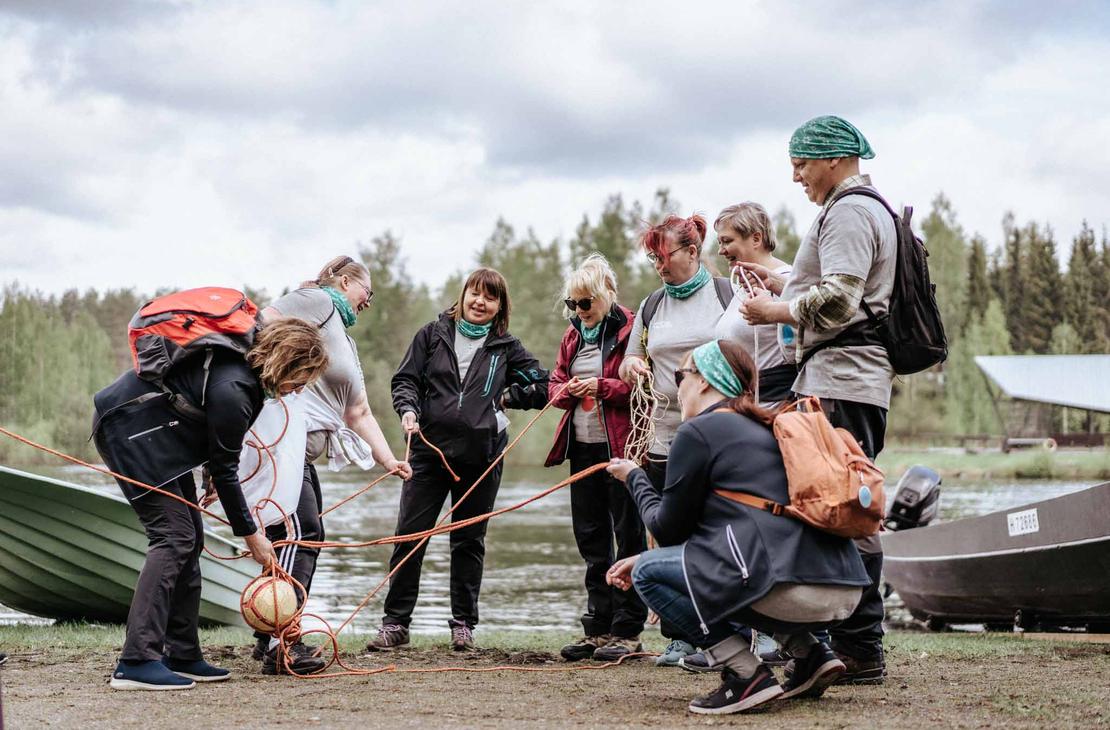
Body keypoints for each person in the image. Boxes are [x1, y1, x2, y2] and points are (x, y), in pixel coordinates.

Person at [605, 340, 869, 714]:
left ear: (705, 381)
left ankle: (746, 675)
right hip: (842, 590)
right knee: (717, 571)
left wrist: (634, 478)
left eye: (681, 375)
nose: (677, 386)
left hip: (784, 588)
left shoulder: (698, 433)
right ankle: (811, 653)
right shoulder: (772, 426)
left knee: (648, 572)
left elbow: (666, 531)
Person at [739, 115, 895, 683]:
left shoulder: (850, 210)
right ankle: (847, 642)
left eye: (801, 163)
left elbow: (839, 301)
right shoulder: (860, 207)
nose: (797, 176)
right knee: (834, 501)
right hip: (846, 377)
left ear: (832, 158)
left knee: (840, 504)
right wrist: (785, 284)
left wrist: (774, 310)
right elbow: (837, 294)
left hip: (842, 380)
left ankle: (859, 646)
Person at [92, 318, 329, 690]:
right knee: (173, 538)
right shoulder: (236, 388)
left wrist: (210, 478)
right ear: (285, 362)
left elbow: (215, 444)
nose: (298, 388)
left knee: (191, 539)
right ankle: (136, 661)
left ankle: (181, 653)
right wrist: (252, 536)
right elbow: (227, 465)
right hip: (129, 432)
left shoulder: (245, 377)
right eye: (300, 377)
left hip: (161, 441)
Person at [368, 268, 550, 652]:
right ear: (463, 294)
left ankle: (463, 624)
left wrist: (508, 399)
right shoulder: (431, 335)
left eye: (490, 297)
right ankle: (395, 623)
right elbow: (405, 380)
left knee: (469, 541)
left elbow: (544, 385)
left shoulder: (506, 347)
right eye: (475, 293)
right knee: (409, 538)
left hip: (482, 457)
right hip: (427, 453)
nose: (480, 302)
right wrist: (407, 409)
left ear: (500, 306)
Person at [252, 255, 413, 675]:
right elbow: (262, 322)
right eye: (367, 292)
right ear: (344, 281)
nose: (369, 302)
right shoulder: (317, 302)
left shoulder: (340, 331)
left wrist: (388, 458)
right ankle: (279, 642)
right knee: (299, 533)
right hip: (282, 448)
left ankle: (268, 632)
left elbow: (357, 411)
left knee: (304, 533)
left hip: (301, 456)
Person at [618, 214, 731, 667]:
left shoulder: (726, 294)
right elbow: (630, 359)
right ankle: (679, 633)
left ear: (692, 250)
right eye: (653, 259)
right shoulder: (651, 305)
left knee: (717, 528)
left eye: (665, 257)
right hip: (664, 434)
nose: (659, 267)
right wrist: (632, 368)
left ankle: (728, 631)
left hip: (720, 433)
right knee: (667, 531)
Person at [545, 254, 647, 662]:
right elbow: (553, 384)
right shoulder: (572, 336)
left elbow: (642, 386)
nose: (579, 311)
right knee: (590, 537)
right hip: (582, 448)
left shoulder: (632, 328)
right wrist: (565, 390)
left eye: (586, 303)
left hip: (621, 448)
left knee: (629, 535)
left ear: (608, 295)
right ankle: (598, 628)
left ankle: (628, 631)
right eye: (573, 304)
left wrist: (602, 386)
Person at [713, 202, 795, 407]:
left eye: (727, 241)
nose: (721, 251)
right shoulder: (741, 285)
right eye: (719, 243)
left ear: (756, 238)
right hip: (743, 404)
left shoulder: (789, 282)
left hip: (774, 406)